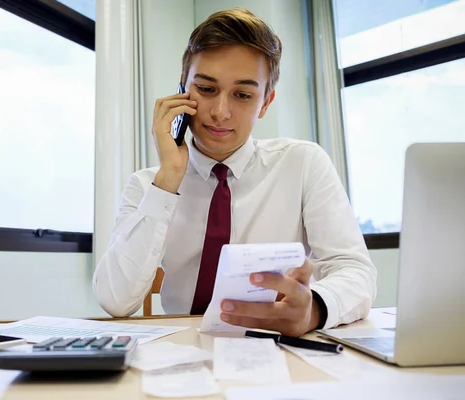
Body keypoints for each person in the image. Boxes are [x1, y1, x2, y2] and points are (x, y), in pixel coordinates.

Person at [92, 8, 376, 337]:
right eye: (206, 89)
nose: (220, 113)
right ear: (182, 89)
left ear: (265, 103)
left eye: (242, 95)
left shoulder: (303, 163)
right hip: (179, 351)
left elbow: (354, 270)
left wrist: (314, 308)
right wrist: (168, 181)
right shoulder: (147, 185)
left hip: (275, 347)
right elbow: (115, 301)